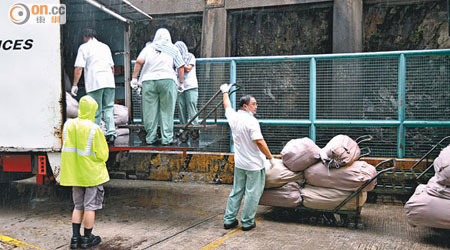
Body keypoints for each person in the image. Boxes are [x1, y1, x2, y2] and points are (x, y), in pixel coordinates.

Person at [220, 83, 276, 231]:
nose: (256, 107)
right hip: (254, 166)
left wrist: (225, 91)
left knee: (236, 191)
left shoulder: (233, 117)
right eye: (253, 104)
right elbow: (259, 141)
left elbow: (227, 106)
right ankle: (247, 222)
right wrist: (270, 157)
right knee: (252, 193)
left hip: (240, 164)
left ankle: (229, 220)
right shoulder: (251, 121)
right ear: (245, 106)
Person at [60, 95, 110, 249]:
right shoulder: (94, 129)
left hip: (74, 173)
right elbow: (103, 154)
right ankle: (88, 239)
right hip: (91, 175)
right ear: (93, 111)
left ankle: (75, 239)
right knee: (90, 207)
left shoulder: (68, 125)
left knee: (78, 206)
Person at [130, 28, 185, 145]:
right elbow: (180, 66)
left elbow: (139, 62)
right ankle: (167, 138)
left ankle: (151, 137)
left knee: (149, 111)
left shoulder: (148, 48)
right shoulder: (173, 48)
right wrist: (181, 83)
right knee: (167, 110)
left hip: (148, 81)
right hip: (167, 80)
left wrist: (134, 79)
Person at [71, 28, 117, 145]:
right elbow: (112, 67)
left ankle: (95, 135)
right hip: (109, 82)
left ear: (84, 37)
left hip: (95, 82)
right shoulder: (105, 47)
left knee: (95, 109)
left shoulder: (84, 47)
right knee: (108, 108)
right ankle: (111, 132)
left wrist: (74, 85)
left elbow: (79, 67)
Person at [174, 41, 198, 125]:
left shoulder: (190, 56)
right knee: (181, 107)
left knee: (191, 105)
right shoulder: (174, 59)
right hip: (179, 87)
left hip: (190, 86)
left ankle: (194, 126)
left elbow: (188, 69)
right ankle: (183, 128)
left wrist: (179, 64)